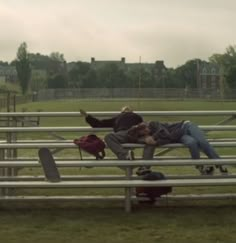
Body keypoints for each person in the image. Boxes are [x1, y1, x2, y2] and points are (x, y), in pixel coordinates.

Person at [127, 120, 228, 175]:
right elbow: (167, 139)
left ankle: (220, 164)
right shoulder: (147, 136)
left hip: (186, 126)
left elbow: (164, 132)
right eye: (143, 134)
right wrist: (155, 142)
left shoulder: (153, 124)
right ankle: (200, 167)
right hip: (180, 135)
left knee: (202, 142)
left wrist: (153, 138)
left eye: (145, 131)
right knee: (192, 143)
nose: (146, 132)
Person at [80, 106, 154, 168]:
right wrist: (88, 117)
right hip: (136, 135)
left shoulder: (119, 117)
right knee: (151, 141)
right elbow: (145, 127)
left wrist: (87, 117)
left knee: (108, 137)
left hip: (124, 134)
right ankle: (144, 166)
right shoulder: (137, 117)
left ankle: (125, 155)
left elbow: (99, 123)